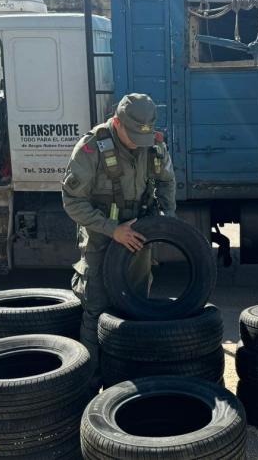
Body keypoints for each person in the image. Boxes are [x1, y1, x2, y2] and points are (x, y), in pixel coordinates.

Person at [61, 93, 176, 387]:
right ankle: (89, 388)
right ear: (117, 122)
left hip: (138, 240)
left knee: (136, 308)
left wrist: (164, 220)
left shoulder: (154, 145)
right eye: (133, 134)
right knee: (97, 310)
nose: (139, 142)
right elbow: (72, 202)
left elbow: (166, 182)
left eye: (144, 135)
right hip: (101, 239)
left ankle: (125, 386)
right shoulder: (91, 149)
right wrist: (113, 229)